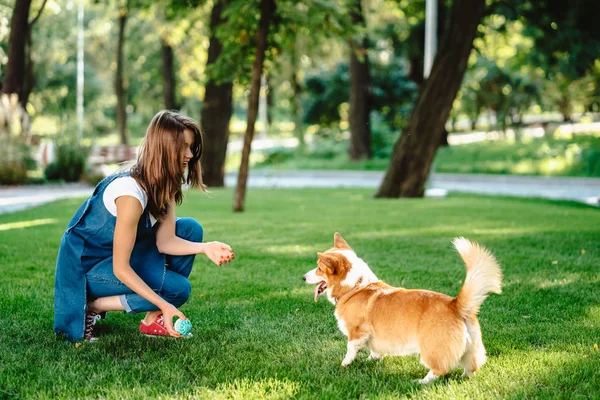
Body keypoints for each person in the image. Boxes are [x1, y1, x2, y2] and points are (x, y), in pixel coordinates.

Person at [54, 110, 234, 342]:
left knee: (191, 228)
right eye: (184, 147)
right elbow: (121, 268)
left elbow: (166, 241)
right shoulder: (130, 194)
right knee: (177, 290)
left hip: (115, 259)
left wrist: (205, 247)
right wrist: (164, 303)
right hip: (88, 268)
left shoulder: (165, 183)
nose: (190, 154)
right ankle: (93, 305)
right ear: (164, 148)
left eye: (191, 147)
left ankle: (152, 319)